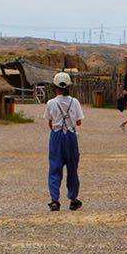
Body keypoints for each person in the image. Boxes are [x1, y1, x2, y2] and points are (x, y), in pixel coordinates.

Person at [44, 72, 83, 211]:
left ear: (55, 87)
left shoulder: (51, 103)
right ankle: (73, 199)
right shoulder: (75, 102)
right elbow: (78, 122)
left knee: (55, 167)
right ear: (68, 87)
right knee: (72, 168)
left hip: (56, 135)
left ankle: (55, 200)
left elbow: (50, 121)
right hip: (71, 135)